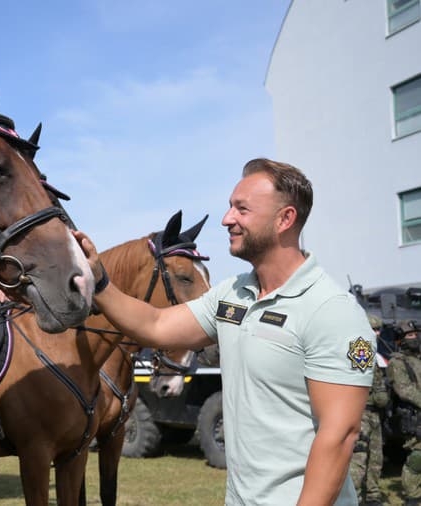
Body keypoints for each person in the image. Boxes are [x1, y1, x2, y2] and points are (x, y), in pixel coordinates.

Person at [74, 158, 375, 505]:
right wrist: (100, 279)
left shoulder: (332, 311)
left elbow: (339, 436)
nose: (226, 219)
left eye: (241, 209)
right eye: (230, 207)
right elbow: (156, 325)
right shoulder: (233, 294)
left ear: (285, 219)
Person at [349, 314, 390, 506]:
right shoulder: (360, 348)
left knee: (376, 456)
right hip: (361, 412)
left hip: (374, 413)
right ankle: (354, 497)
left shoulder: (375, 352)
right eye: (373, 329)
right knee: (359, 457)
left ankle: (373, 496)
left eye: (378, 329)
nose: (377, 333)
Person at [388, 320, 421, 505]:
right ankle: (412, 496)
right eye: (409, 335)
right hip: (414, 414)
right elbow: (404, 389)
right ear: (401, 340)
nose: (414, 338)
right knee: (417, 457)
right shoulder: (397, 362)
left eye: (415, 334)